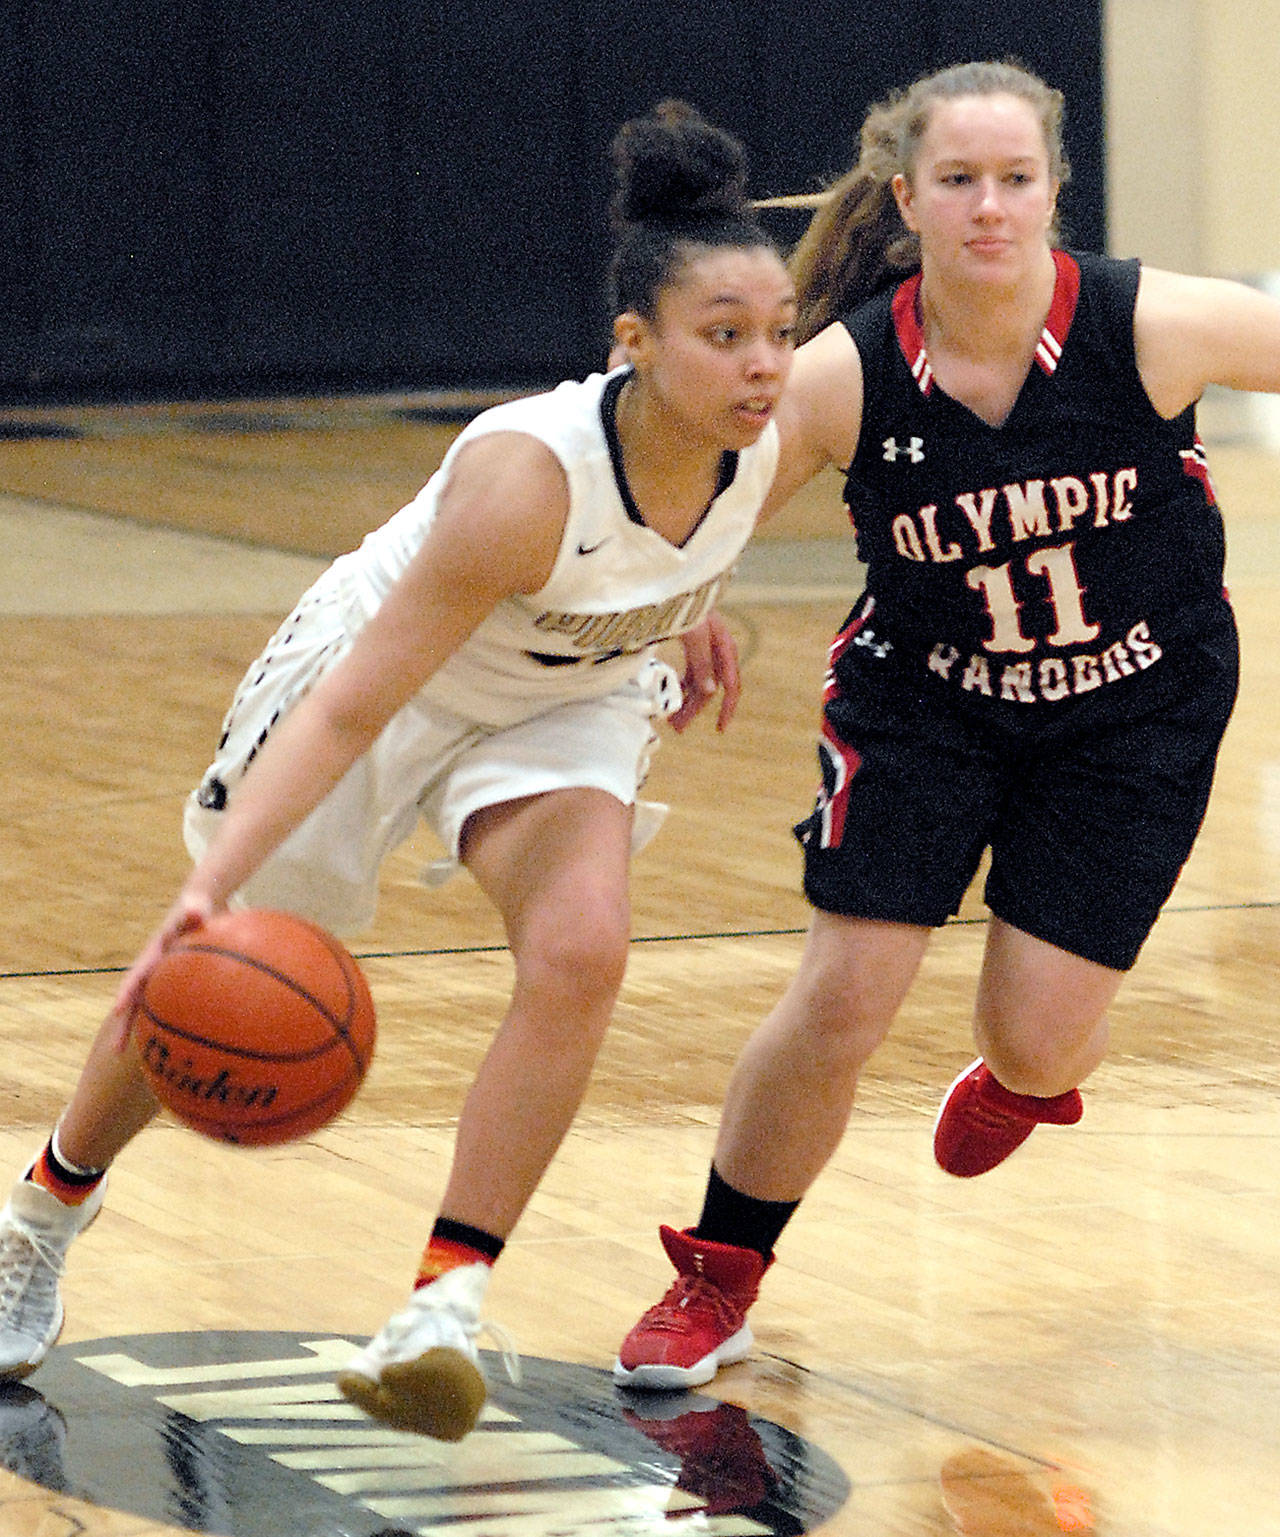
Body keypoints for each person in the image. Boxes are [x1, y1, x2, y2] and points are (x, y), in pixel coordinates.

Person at [0, 99, 798, 1441]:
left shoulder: (760, 434)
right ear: (634, 343)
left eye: (778, 331)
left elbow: (673, 531)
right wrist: (210, 890)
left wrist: (687, 606)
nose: (764, 362)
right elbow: (351, 709)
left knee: (581, 951)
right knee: (214, 974)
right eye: (725, 336)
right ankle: (45, 1208)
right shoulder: (523, 484)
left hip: (564, 699)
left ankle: (444, 1302)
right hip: (385, 684)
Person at [613, 57, 1280, 1391]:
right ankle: (716, 1276)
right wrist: (683, 601)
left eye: (1015, 179)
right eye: (960, 179)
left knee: (1036, 1035)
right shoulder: (846, 373)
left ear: (1054, 191)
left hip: (1135, 713)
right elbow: (694, 487)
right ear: (908, 197)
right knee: (845, 990)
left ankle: (1025, 1077)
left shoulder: (1152, 324)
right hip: (925, 704)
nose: (989, 205)